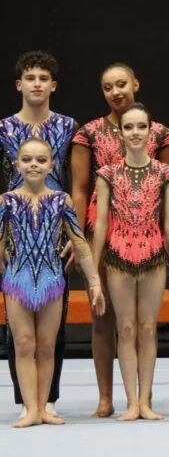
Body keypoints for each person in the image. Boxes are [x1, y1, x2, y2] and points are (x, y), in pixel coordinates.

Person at [72, 64, 169, 418]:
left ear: (135, 84)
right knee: (105, 320)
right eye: (107, 87)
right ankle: (106, 397)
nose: (116, 91)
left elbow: (168, 201)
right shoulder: (89, 132)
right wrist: (77, 236)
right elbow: (80, 188)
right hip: (103, 233)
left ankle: (143, 398)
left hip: (148, 236)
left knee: (144, 324)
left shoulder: (160, 133)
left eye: (121, 85)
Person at [1, 138, 105, 427]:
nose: (33, 164)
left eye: (40, 160)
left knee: (46, 345)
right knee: (23, 343)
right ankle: (31, 408)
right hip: (17, 279)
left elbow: (79, 243)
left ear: (52, 165)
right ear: (16, 164)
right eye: (27, 159)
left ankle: (44, 407)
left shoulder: (61, 201)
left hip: (52, 280)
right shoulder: (7, 201)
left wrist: (94, 281)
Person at [91, 104, 169, 422]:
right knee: (125, 327)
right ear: (120, 133)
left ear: (150, 130)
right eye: (128, 127)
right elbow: (101, 222)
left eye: (140, 127)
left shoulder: (166, 173)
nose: (134, 133)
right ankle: (131, 402)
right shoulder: (108, 174)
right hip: (118, 258)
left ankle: (146, 401)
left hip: (154, 256)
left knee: (147, 329)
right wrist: (92, 270)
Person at [0, 51, 77, 422]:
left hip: (55, 228)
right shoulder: (4, 129)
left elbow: (76, 180)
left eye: (43, 78)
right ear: (19, 85)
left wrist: (74, 235)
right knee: (20, 332)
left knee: (51, 326)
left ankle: (48, 398)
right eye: (29, 77)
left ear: (53, 86)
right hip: (15, 229)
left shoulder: (67, 126)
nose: (36, 84)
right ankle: (26, 400)